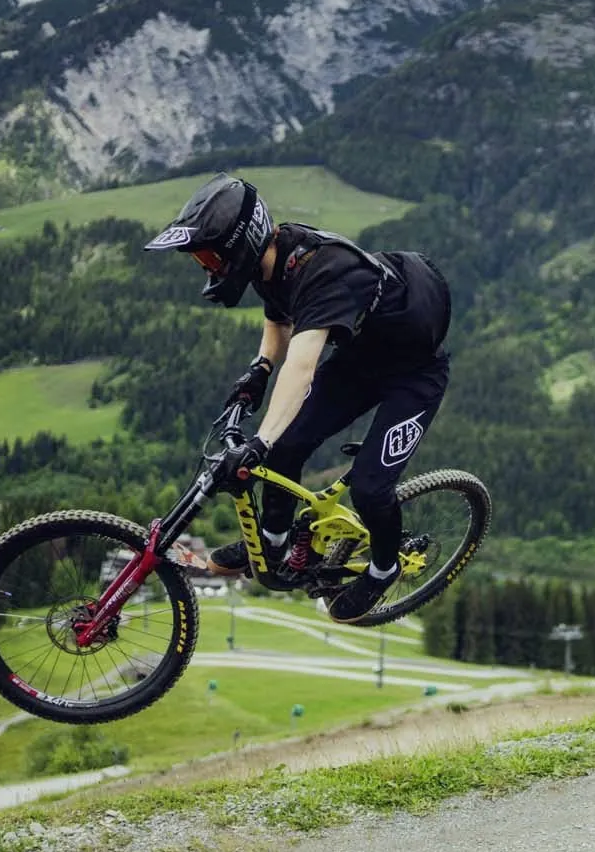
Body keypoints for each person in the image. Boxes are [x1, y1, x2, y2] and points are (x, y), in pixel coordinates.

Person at [144, 173, 452, 621]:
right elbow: (279, 321)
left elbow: (303, 366)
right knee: (286, 447)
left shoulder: (325, 270)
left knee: (369, 488)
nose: (207, 267)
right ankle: (272, 547)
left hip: (415, 376)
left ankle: (383, 569)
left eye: (210, 257)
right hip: (361, 363)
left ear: (239, 243)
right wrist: (258, 371)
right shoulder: (274, 259)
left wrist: (259, 440)